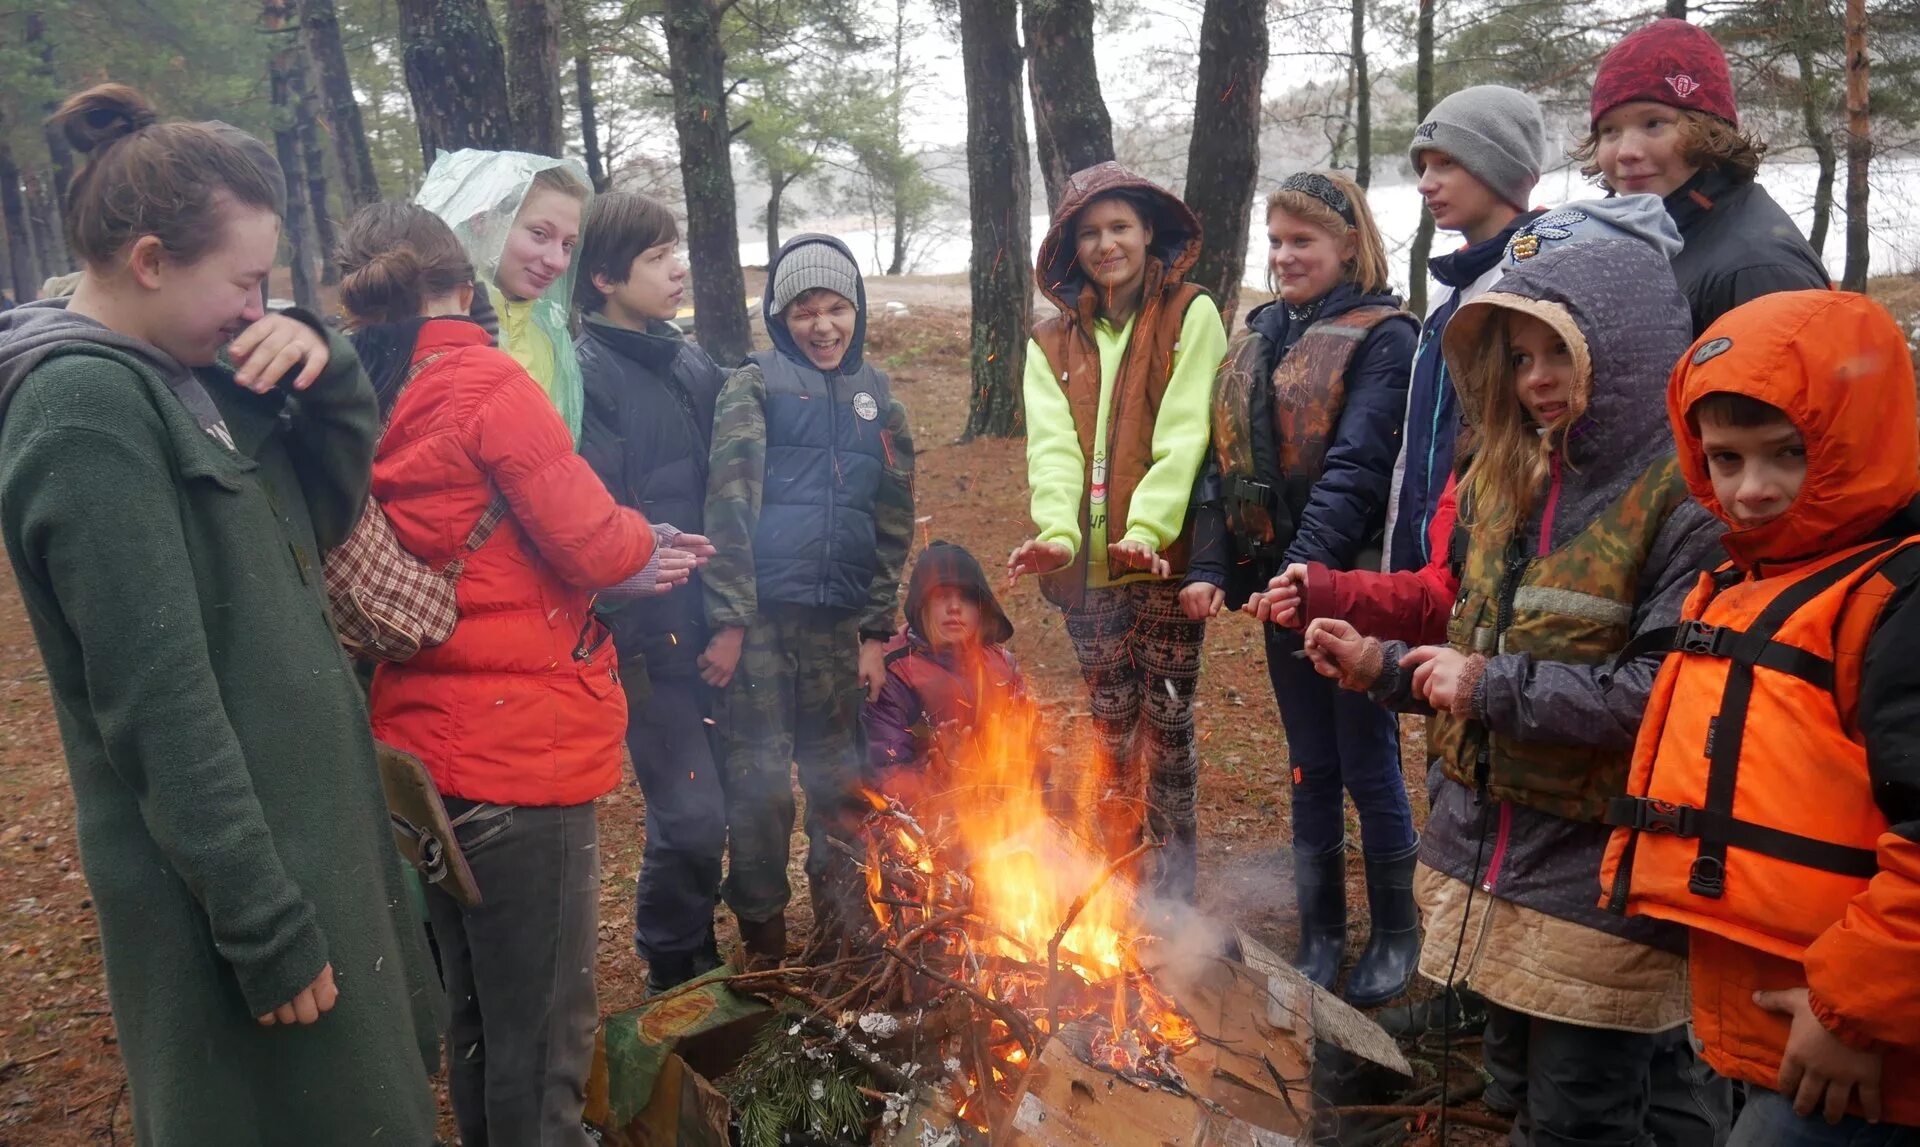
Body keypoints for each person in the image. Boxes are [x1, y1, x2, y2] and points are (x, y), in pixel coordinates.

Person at [0, 85, 437, 1144]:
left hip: (310, 848)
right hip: (234, 896)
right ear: (151, 262)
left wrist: (325, 370)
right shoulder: (85, 409)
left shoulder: (196, 371)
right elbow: (159, 702)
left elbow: (319, 523)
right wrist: (265, 926)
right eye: (245, 280)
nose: (258, 304)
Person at [1299, 238, 1728, 1144]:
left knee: (1582, 1114)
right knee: (1518, 1095)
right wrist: (1382, 665)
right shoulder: (1501, 478)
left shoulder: (1683, 505)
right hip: (1496, 871)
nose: (1536, 378)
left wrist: (1489, 685)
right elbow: (1468, 643)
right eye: (1520, 357)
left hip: (1598, 887)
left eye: (1558, 352)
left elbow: (1667, 697)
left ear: (1627, 347)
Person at [336, 201, 657, 1146]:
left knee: (475, 1012)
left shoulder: (353, 392)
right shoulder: (486, 382)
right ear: (459, 278)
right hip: (522, 749)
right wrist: (649, 534)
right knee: (546, 1034)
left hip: (418, 750)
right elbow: (596, 543)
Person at [1601, 290, 1920, 1145]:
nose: (1753, 490)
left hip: (1859, 1058)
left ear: (1862, 439)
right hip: (1762, 1025)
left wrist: (1851, 1011)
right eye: (1725, 459)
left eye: (1788, 454)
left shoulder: (1895, 600)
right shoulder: (1755, 581)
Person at [1187, 171, 1417, 1004]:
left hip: (1350, 585)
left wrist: (1307, 573)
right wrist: (1215, 567)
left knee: (1366, 758)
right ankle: (1322, 930)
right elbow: (1225, 466)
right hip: (1283, 590)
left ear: (1348, 243)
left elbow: (1360, 466)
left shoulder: (1386, 337)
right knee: (1308, 763)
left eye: (1304, 242)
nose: (1286, 256)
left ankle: (1397, 932)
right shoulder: (1259, 333)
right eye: (1276, 241)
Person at [1008, 161, 1228, 905]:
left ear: (1148, 233)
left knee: (1166, 727)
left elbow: (1186, 429)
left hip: (1162, 562)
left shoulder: (1189, 313)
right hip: (1086, 576)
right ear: (1071, 247)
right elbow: (1052, 449)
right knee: (1110, 734)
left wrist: (1149, 528)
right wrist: (1059, 538)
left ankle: (1175, 901)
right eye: (1091, 231)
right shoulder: (1049, 343)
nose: (1107, 244)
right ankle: (1120, 890)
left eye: (1120, 227)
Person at [699, 233, 915, 966]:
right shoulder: (753, 383)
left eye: (836, 309)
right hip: (761, 626)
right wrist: (727, 618)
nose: (823, 326)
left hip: (838, 628)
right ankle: (763, 943)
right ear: (779, 315)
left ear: (855, 310)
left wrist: (877, 634)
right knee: (759, 786)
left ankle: (843, 939)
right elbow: (728, 501)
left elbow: (892, 525)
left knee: (841, 788)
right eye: (804, 311)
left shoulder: (879, 400)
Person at [574, 190, 731, 995]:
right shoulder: (585, 376)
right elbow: (595, 522)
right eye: (654, 258)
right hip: (647, 640)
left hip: (716, 628)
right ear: (603, 276)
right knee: (692, 817)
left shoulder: (686, 358)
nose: (677, 269)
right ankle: (672, 967)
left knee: (726, 809)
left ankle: (704, 954)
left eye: (676, 251)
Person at [1385, 84, 1546, 578]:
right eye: (1423, 167)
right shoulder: (1448, 292)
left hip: (1485, 564)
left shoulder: (1532, 281)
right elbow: (1415, 449)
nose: (1425, 184)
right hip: (1425, 563)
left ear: (1497, 169)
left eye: (1446, 164)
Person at [1582, 17, 1828, 335]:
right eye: (1610, 130)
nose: (1625, 151)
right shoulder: (1654, 237)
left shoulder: (1756, 271)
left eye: (1653, 123)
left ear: (1710, 131)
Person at [415, 149, 593, 440]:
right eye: (540, 234)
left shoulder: (547, 338)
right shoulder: (432, 328)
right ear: (482, 220)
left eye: (567, 244)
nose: (557, 262)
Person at [865, 540, 1032, 805]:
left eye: (966, 597)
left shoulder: (1002, 665)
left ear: (981, 608)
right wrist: (941, 774)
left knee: (1060, 811)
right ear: (922, 605)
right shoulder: (894, 672)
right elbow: (883, 775)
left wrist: (1019, 751)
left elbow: (1034, 766)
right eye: (942, 596)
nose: (954, 607)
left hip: (994, 809)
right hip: (924, 817)